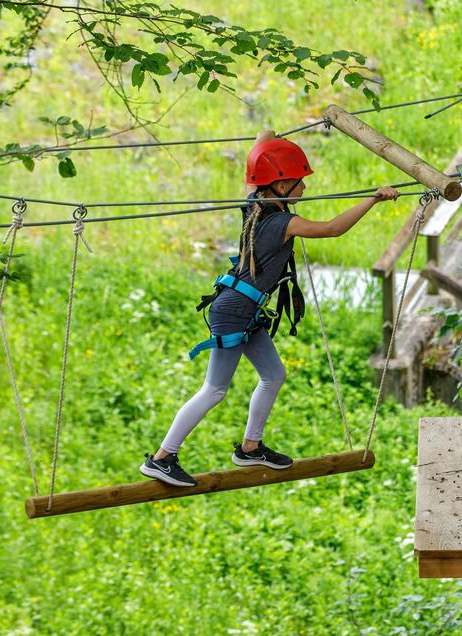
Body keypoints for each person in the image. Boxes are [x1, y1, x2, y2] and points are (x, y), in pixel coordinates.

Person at [140, 130, 399, 487]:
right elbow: (331, 229)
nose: (305, 189)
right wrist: (373, 200)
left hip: (244, 309)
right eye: (299, 182)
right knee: (215, 389)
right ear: (279, 186)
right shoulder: (281, 222)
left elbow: (260, 150)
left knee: (274, 375)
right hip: (234, 310)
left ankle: (250, 447)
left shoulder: (254, 202)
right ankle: (162, 457)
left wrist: (270, 139)